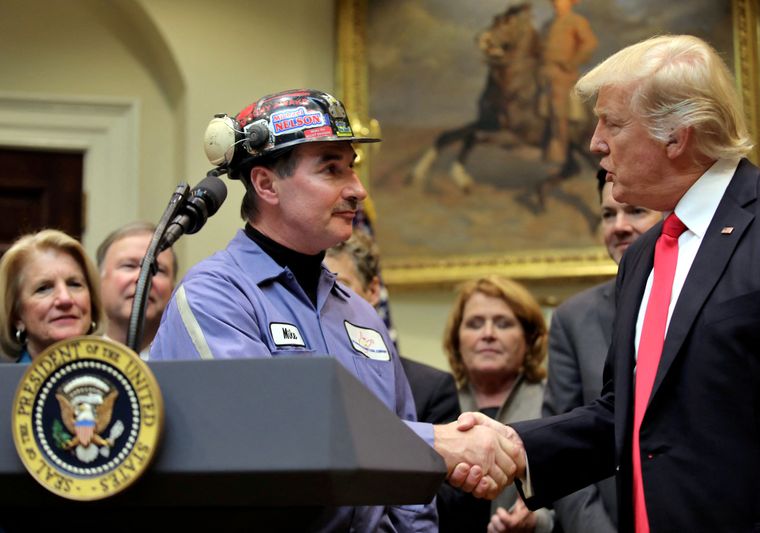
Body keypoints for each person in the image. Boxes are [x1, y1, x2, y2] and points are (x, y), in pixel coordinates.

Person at [457, 34, 760, 532]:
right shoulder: (644, 254)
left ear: (676, 136)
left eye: (612, 123)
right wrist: (513, 446)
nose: (595, 142)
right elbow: (626, 412)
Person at [150, 89, 524, 531]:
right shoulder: (214, 297)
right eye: (331, 169)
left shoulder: (361, 315)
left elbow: (408, 491)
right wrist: (436, 442)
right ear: (266, 184)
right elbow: (261, 437)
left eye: (352, 168)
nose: (358, 190)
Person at [542, 168, 662, 533]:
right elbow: (563, 452)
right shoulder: (573, 320)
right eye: (608, 214)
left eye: (636, 211)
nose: (619, 226)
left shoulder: (704, 299)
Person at [444, 275, 554, 533]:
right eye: (475, 324)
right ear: (457, 339)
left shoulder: (554, 401)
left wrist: (537, 521)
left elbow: (577, 498)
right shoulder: (437, 402)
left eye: (503, 324)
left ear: (529, 339)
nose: (488, 334)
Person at [325, 229, 461, 425]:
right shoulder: (296, 375)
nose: (322, 299)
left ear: (372, 291)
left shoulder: (430, 389)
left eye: (338, 286)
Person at [0, 229, 105, 363]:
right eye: (43, 289)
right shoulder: (5, 383)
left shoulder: (122, 380)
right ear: (17, 316)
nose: (65, 299)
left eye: (74, 284)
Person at [96, 221, 177, 359]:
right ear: (99, 282)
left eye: (158, 269)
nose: (143, 278)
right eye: (129, 266)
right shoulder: (76, 363)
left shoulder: (192, 361)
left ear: (173, 288)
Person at [541, 0, 597, 167]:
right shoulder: (548, 24)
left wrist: (572, 62)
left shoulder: (576, 21)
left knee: (558, 103)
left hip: (563, 73)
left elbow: (590, 43)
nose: (558, 3)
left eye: (562, 0)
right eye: (556, 1)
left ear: (571, 3)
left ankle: (559, 147)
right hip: (543, 70)